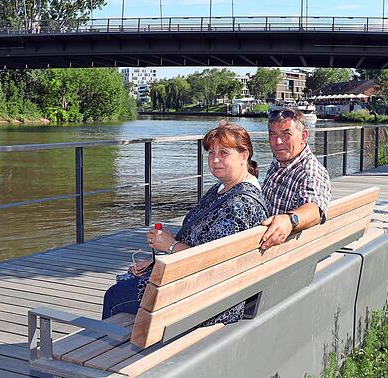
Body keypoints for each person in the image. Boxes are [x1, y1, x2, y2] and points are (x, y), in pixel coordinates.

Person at [101, 121, 267, 324]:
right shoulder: (223, 190)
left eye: (223, 153)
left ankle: (119, 354)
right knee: (127, 283)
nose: (215, 159)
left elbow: (213, 264)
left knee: (115, 295)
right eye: (211, 153)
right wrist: (156, 265)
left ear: (244, 155)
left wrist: (169, 246)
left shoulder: (240, 205)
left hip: (208, 300)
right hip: (203, 287)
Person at [260, 108, 331, 250]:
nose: (278, 141)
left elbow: (315, 209)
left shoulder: (309, 171)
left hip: (277, 253)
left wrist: (290, 220)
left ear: (304, 136)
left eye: (287, 134)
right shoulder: (280, 161)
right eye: (273, 134)